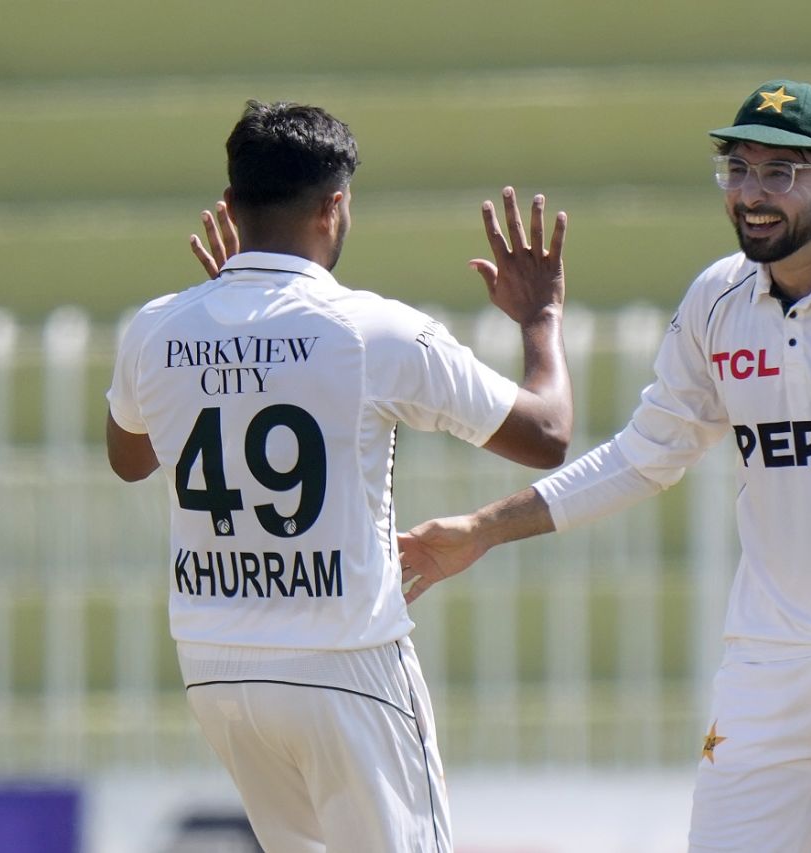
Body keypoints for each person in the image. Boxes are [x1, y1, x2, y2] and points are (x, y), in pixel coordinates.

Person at [397, 79, 811, 852]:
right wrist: (482, 529)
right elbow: (643, 455)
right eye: (737, 169)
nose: (752, 194)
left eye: (780, 173)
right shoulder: (717, 302)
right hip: (767, 663)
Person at [105, 100, 573, 853]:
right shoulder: (372, 330)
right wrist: (540, 318)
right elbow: (547, 434)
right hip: (343, 661)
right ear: (335, 206)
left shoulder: (157, 326)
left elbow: (129, 458)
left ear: (231, 207)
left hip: (217, 668)